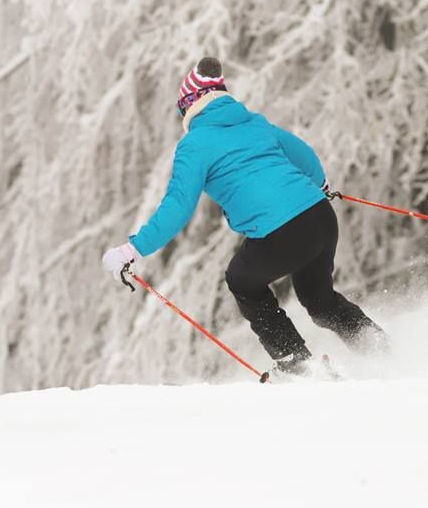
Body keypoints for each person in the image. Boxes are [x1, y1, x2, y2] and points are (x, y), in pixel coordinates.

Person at [103, 57, 386, 376]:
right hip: (320, 217)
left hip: (283, 232)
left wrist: (132, 250)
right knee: (320, 302)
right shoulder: (255, 123)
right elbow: (305, 155)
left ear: (190, 106)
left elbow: (178, 206)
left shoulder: (194, 144)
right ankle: (381, 350)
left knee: (242, 280)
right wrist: (319, 185)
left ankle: (299, 366)